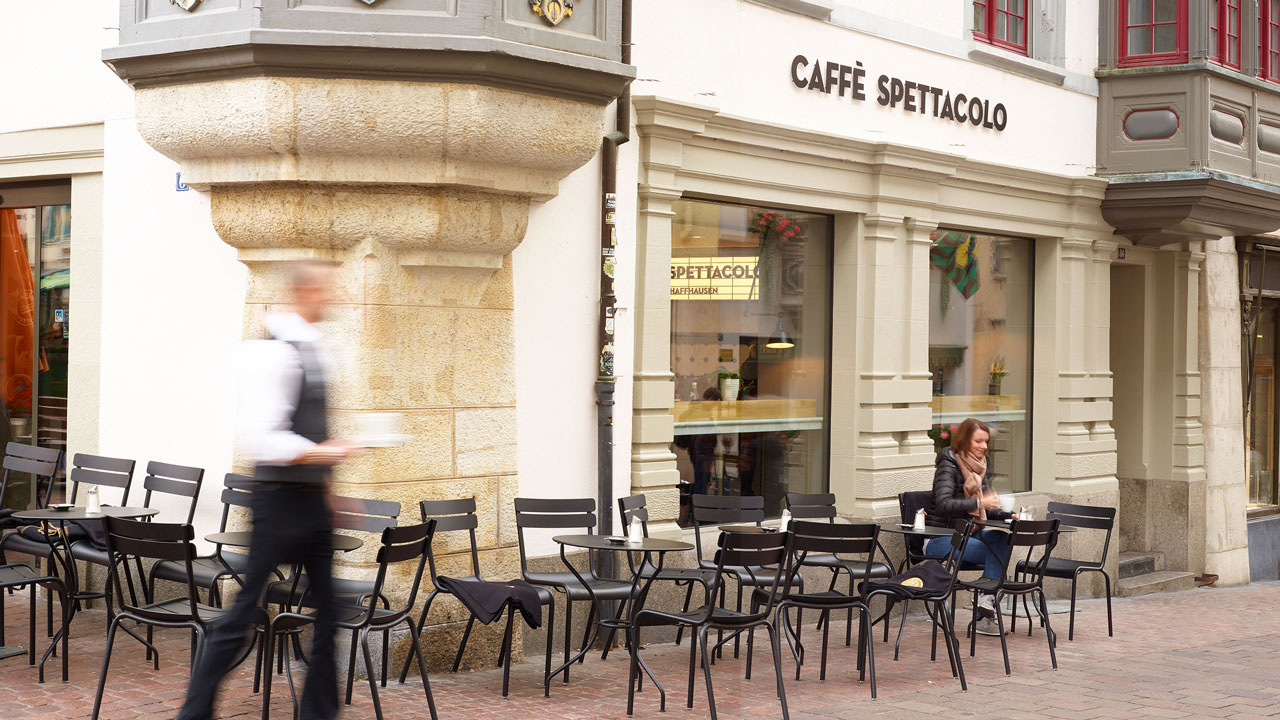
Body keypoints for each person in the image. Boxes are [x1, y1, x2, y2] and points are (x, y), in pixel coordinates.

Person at [178, 259, 359, 720]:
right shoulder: (269, 353)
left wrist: (329, 493)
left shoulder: (316, 349)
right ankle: (194, 713)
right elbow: (263, 438)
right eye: (326, 288)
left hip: (311, 503)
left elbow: (313, 424)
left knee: (329, 612)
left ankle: (319, 713)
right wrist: (324, 453)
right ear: (305, 292)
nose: (333, 296)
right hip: (277, 502)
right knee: (244, 611)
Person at [922, 417, 1016, 637]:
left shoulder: (979, 466)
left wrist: (1008, 515)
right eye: (978, 441)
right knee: (996, 551)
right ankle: (984, 613)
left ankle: (985, 600)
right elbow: (944, 504)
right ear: (964, 440)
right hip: (939, 539)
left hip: (967, 536)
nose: (983, 446)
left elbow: (986, 508)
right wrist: (979, 502)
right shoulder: (948, 464)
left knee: (1001, 540)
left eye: (986, 441)